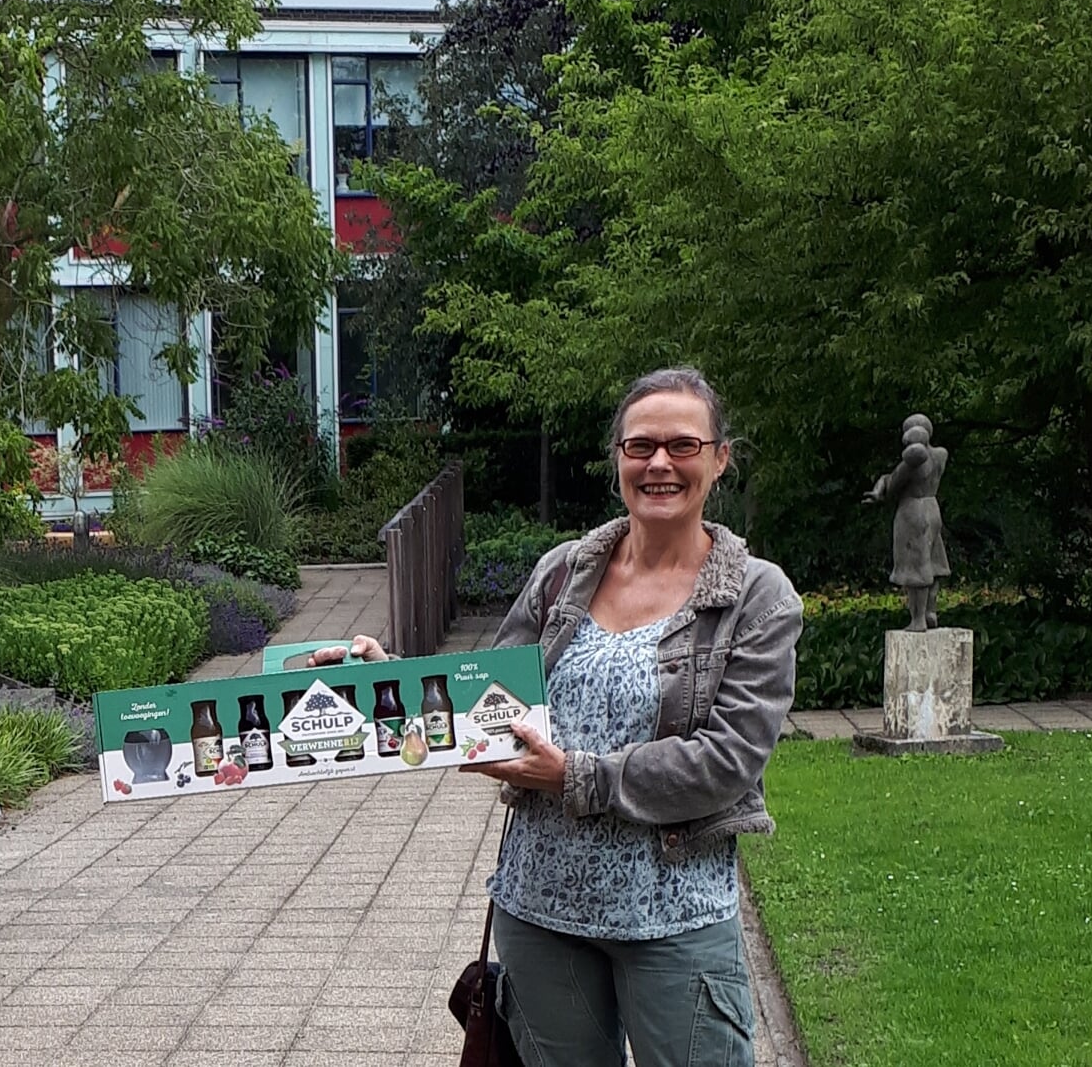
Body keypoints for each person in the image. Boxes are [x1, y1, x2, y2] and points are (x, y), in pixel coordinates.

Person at [318, 367, 801, 1067]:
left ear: (720, 457)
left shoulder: (757, 597)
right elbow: (489, 702)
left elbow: (726, 764)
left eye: (682, 445)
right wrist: (382, 678)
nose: (659, 463)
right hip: (539, 912)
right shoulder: (563, 572)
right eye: (639, 446)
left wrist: (574, 775)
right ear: (617, 460)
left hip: (674, 917)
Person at [863, 412, 950, 631]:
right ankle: (931, 610)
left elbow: (893, 484)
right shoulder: (941, 455)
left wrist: (879, 489)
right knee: (933, 562)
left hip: (913, 511)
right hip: (932, 508)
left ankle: (918, 619)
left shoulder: (913, 462)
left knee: (916, 566)